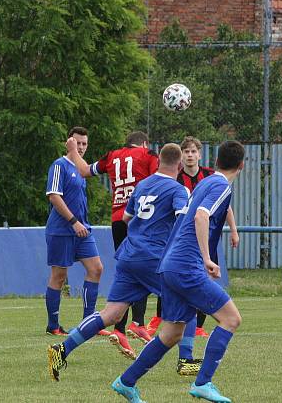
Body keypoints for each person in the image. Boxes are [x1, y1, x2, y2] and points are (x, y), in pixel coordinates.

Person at [111, 140, 245, 403]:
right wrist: (207, 258)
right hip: (185, 265)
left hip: (169, 264)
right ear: (242, 165)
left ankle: (126, 382)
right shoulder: (220, 186)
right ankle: (203, 382)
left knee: (171, 333)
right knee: (231, 319)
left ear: (216, 161)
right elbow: (200, 216)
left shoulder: (205, 182)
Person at [47, 143, 189, 380]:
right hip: (153, 257)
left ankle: (61, 350)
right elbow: (182, 223)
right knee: (188, 300)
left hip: (129, 254)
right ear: (180, 165)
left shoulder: (143, 185)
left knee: (111, 313)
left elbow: (126, 217)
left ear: (160, 161)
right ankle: (187, 362)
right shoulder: (178, 190)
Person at [67, 130, 159, 355]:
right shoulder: (148, 155)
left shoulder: (113, 155)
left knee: (128, 271)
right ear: (144, 143)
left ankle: (120, 328)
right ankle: (136, 323)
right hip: (140, 219)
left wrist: (72, 151)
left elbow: (84, 170)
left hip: (118, 220)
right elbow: (158, 182)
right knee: (146, 270)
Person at [149, 136, 239, 341]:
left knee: (191, 288)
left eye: (193, 151)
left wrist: (234, 230)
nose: (190, 155)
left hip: (199, 240)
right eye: (186, 152)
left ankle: (193, 332)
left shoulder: (209, 177)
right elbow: (200, 214)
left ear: (200, 154)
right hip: (185, 242)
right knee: (229, 316)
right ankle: (164, 319)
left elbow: (224, 207)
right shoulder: (177, 178)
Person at [44, 127, 103, 336]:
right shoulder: (59, 165)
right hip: (62, 230)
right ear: (69, 143)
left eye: (84, 144)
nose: (81, 147)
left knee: (96, 269)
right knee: (59, 276)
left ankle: (89, 323)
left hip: (83, 229)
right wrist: (73, 221)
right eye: (77, 143)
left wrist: (81, 223)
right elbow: (54, 196)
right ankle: (53, 326)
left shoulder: (81, 169)